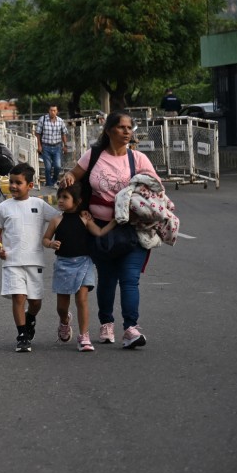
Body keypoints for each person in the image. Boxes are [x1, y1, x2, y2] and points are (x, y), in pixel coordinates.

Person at [60, 111, 161, 349]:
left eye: (130, 128)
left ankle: (131, 329)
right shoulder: (93, 156)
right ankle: (106, 322)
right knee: (106, 279)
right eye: (122, 127)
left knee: (130, 279)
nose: (127, 132)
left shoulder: (138, 160)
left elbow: (156, 188)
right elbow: (74, 176)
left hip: (133, 229)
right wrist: (67, 178)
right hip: (99, 229)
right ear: (109, 131)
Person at [0, 163, 59, 352]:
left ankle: (30, 318)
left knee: (35, 301)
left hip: (34, 261)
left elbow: (58, 219)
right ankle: (22, 335)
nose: (13, 186)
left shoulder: (39, 205)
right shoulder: (4, 207)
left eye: (18, 183)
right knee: (18, 297)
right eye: (11, 182)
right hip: (12, 261)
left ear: (29, 185)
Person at [42, 182, 115, 352]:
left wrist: (114, 222)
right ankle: (65, 321)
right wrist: (51, 243)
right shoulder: (56, 220)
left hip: (84, 263)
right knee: (61, 307)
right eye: (59, 197)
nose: (60, 200)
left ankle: (84, 336)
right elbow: (44, 239)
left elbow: (99, 232)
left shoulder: (85, 218)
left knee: (81, 299)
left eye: (65, 197)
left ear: (77, 201)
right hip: (63, 265)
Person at [35, 105, 69, 188]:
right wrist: (39, 145)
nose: (52, 112)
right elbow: (37, 133)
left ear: (57, 111)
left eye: (54, 110)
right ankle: (49, 184)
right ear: (48, 110)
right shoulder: (42, 120)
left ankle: (53, 180)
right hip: (46, 146)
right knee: (48, 167)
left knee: (57, 166)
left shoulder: (60, 121)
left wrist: (65, 145)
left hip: (57, 147)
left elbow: (63, 133)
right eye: (51, 110)